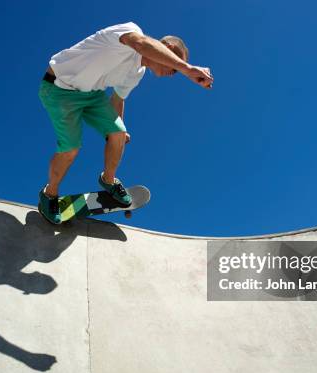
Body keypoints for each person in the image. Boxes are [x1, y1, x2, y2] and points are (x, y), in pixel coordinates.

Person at [38, 22, 213, 224]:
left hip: (91, 95)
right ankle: (49, 195)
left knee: (119, 134)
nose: (172, 74)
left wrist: (118, 128)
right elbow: (140, 44)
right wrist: (187, 68)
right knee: (71, 148)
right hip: (59, 90)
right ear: (168, 50)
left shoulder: (136, 73)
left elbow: (118, 98)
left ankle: (108, 180)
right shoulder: (130, 33)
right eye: (174, 68)